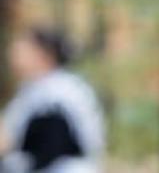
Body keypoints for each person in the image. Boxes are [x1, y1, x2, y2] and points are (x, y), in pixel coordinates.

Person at [0, 27, 104, 173]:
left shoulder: (61, 92)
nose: (13, 54)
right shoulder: (32, 89)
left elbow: (49, 149)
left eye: (22, 49)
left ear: (45, 54)